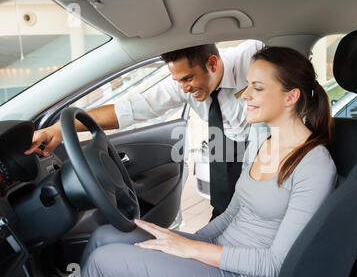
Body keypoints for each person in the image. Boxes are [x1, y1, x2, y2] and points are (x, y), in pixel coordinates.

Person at [70, 46, 337, 277]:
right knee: (104, 236)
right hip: (218, 254)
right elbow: (233, 212)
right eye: (247, 85)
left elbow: (277, 263)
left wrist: (191, 249)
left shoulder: (314, 164)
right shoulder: (261, 141)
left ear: (291, 97)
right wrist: (188, 240)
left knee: (103, 263)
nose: (245, 95)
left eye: (257, 88)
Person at [25, 40, 264, 220]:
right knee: (224, 213)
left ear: (212, 63)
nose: (182, 88)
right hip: (226, 145)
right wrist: (59, 128)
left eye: (187, 79)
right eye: (177, 80)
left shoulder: (253, 55)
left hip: (264, 146)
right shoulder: (180, 87)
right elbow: (129, 109)